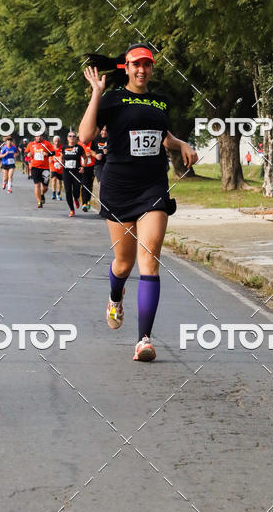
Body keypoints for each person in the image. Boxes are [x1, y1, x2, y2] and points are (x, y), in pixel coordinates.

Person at [79, 42, 198, 362]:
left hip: (152, 187)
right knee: (124, 262)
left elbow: (162, 135)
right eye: (136, 65)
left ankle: (144, 339)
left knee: (150, 260)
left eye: (147, 65)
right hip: (118, 187)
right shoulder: (112, 99)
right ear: (127, 68)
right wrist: (96, 93)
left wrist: (181, 142)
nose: (142, 70)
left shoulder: (161, 102)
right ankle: (115, 296)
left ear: (152, 68)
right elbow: (85, 136)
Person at [25, 132, 55, 208]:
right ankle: (39, 202)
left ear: (42, 137)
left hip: (45, 168)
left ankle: (42, 194)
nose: (38, 137)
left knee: (45, 187)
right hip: (35, 167)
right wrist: (28, 155)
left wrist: (47, 154)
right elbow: (25, 153)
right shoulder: (31, 144)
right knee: (37, 185)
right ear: (35, 137)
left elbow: (53, 152)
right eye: (36, 136)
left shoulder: (47, 144)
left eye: (40, 136)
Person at [61, 131, 83, 217]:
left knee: (77, 188)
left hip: (76, 171)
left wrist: (83, 167)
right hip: (67, 171)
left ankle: (76, 198)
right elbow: (62, 157)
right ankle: (72, 209)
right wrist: (61, 163)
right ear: (67, 138)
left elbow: (85, 158)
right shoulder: (64, 147)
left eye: (74, 136)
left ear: (76, 138)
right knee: (68, 191)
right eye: (70, 136)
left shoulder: (79, 148)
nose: (72, 137)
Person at [79, 140, 96, 211]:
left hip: (91, 167)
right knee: (84, 185)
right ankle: (84, 203)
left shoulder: (92, 143)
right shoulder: (79, 144)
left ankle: (88, 201)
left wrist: (91, 154)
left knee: (90, 185)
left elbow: (96, 153)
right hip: (83, 167)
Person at [49, 135, 64, 200]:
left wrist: (61, 161)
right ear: (53, 141)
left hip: (60, 166)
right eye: (55, 141)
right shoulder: (51, 148)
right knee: (54, 178)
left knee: (59, 181)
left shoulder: (62, 148)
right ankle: (53, 193)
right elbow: (49, 157)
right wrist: (51, 159)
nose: (57, 143)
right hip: (53, 166)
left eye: (58, 141)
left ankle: (59, 193)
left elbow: (64, 156)